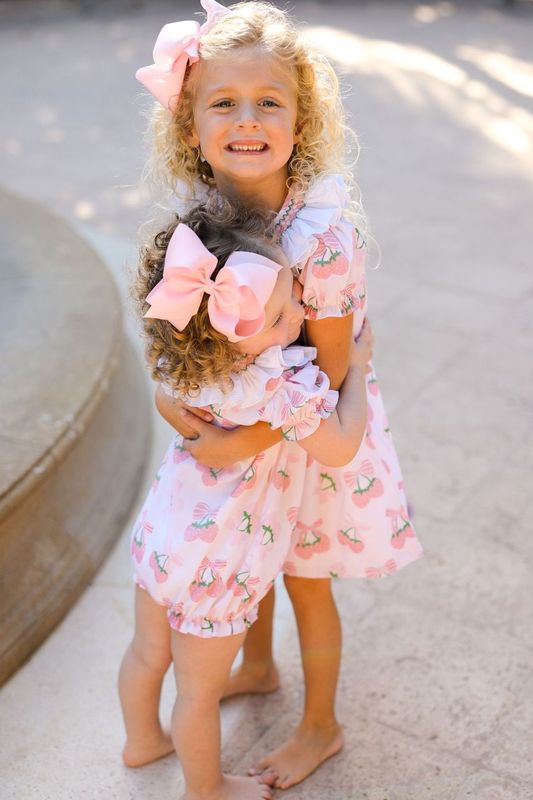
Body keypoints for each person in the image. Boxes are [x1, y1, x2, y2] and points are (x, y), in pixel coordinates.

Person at [135, 0, 423, 789]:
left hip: (310, 430)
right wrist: (171, 397)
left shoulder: (319, 235)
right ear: (189, 124)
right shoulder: (204, 216)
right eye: (223, 103)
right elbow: (176, 331)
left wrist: (235, 444)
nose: (247, 120)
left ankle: (321, 724)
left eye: (269, 102)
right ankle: (256, 666)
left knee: (302, 578)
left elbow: (331, 380)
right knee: (246, 558)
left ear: (304, 118)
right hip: (256, 424)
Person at [118, 200, 373, 800]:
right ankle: (208, 790)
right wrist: (355, 371)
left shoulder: (183, 362)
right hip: (219, 565)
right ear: (237, 335)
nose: (298, 319)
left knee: (147, 653)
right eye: (284, 314)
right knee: (198, 695)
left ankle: (141, 741)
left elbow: (164, 395)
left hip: (162, 540)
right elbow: (338, 448)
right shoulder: (279, 388)